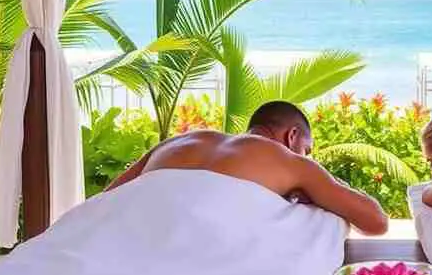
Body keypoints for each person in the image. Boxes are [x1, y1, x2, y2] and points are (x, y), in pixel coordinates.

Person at [106, 100, 389, 235]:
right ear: (292, 137)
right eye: (307, 150)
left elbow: (105, 201)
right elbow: (376, 221)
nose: (308, 158)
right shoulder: (286, 159)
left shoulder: (175, 143)